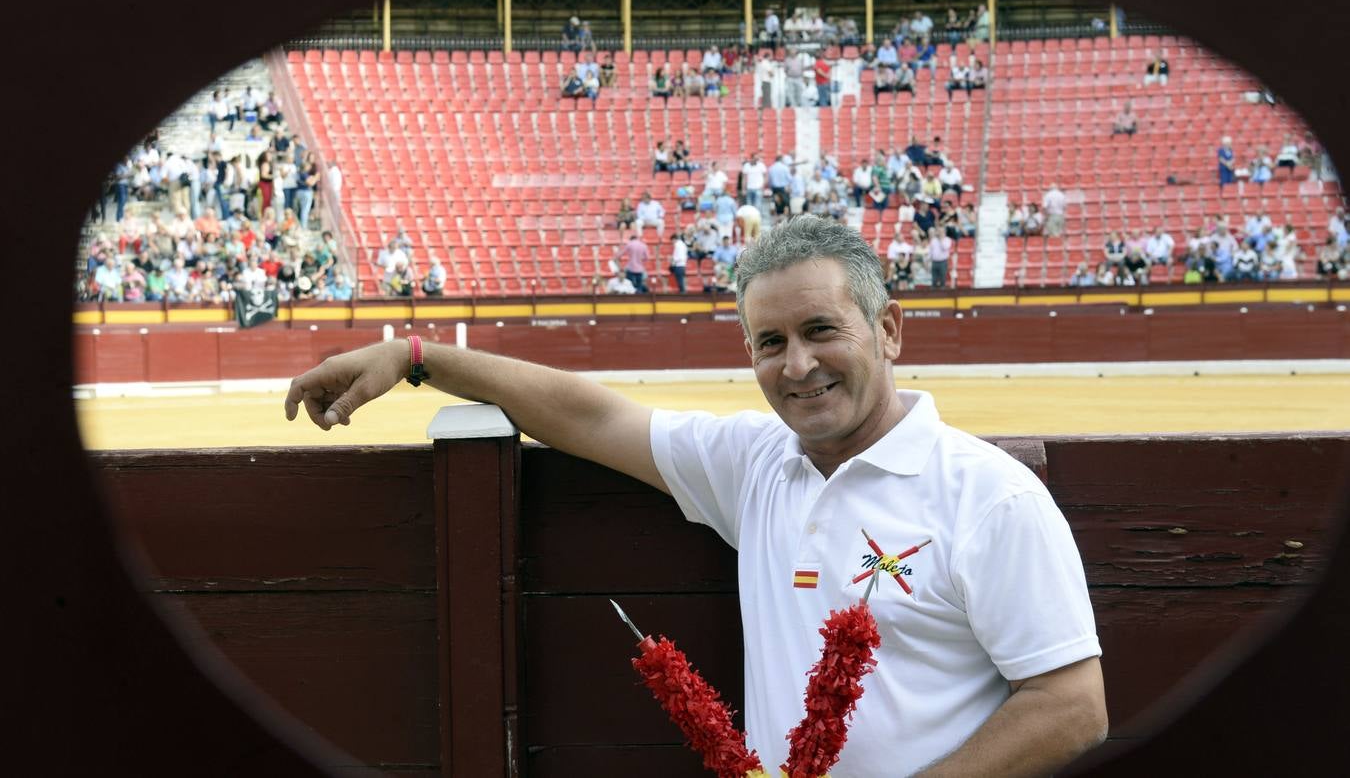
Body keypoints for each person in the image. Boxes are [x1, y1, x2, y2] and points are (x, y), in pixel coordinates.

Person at [282, 216, 1106, 778]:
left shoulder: (987, 496)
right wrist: (418, 353)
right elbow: (590, 413)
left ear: (888, 331)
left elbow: (1072, 709)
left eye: (822, 330)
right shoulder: (755, 465)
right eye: (770, 342)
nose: (797, 366)